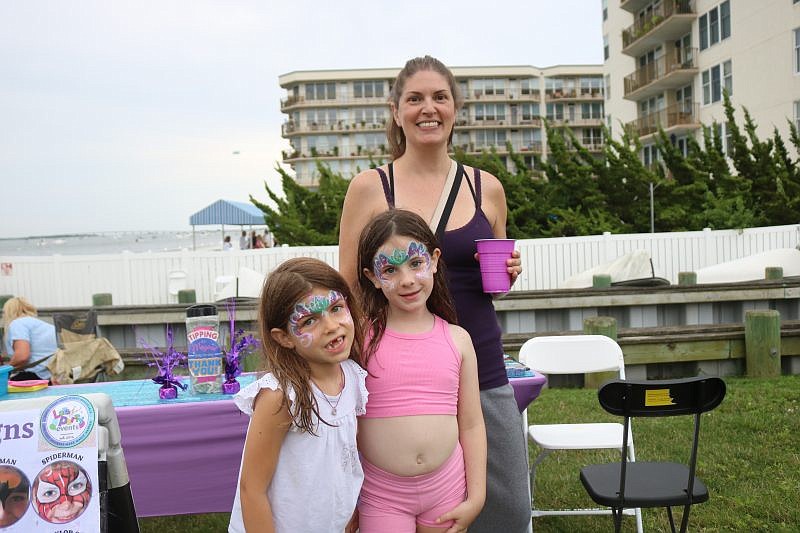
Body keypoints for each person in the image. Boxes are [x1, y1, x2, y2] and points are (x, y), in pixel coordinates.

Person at [338, 55, 529, 532]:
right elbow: (348, 290)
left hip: (480, 363)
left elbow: (489, 283)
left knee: (506, 511)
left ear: (456, 108)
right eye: (415, 98)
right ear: (396, 110)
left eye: (440, 97)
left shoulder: (487, 187)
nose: (429, 108)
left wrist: (508, 274)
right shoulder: (369, 188)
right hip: (392, 375)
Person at [355, 209, 486, 532]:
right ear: (372, 276)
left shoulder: (458, 340)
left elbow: (470, 424)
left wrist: (478, 497)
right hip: (381, 494)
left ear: (435, 259)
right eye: (390, 269)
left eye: (416, 263)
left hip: (447, 488)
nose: (407, 280)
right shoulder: (358, 340)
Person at [228, 258, 368, 533]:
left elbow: (344, 458)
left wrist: (348, 514)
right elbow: (252, 488)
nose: (330, 326)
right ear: (284, 338)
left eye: (336, 308)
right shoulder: (282, 396)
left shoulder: (352, 376)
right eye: (309, 320)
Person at [2, 297, 57, 382]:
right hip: (53, 375)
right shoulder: (43, 325)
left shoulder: (17, 324)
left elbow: (22, 356)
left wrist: (5, 369)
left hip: (35, 376)